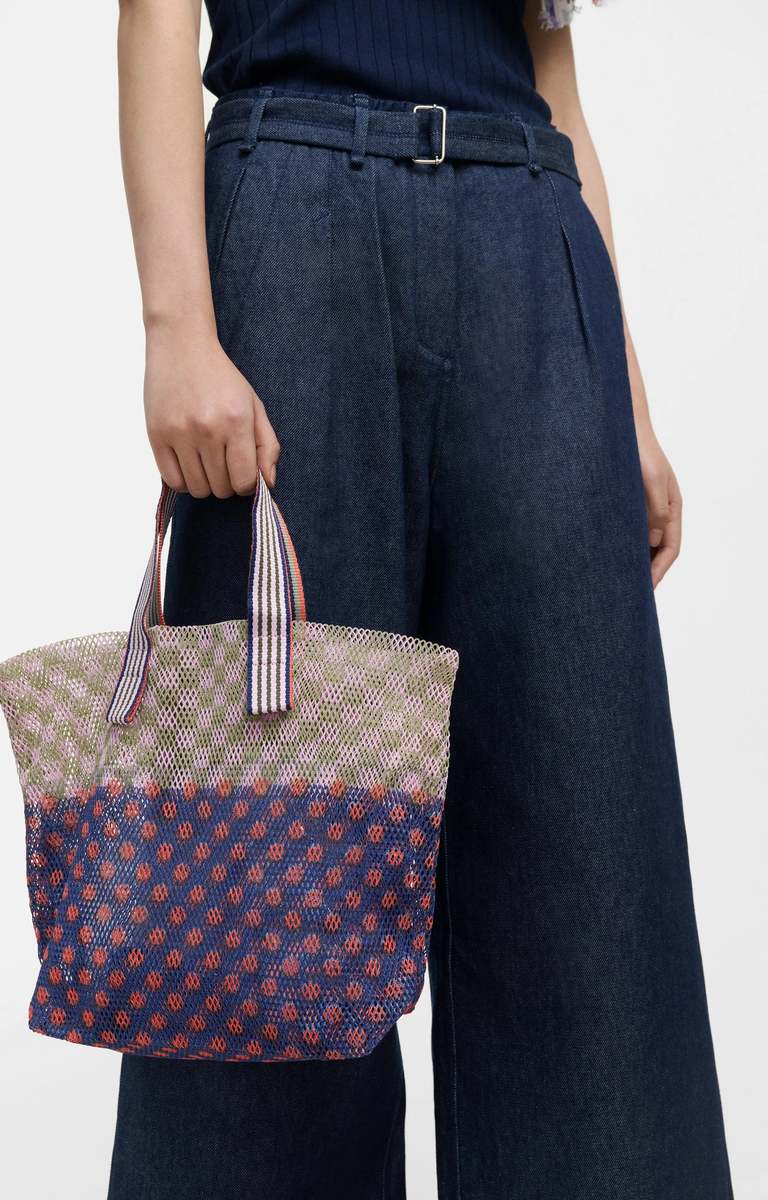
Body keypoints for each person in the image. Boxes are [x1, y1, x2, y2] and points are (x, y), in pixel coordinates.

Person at [107, 2, 733, 1198]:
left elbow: (556, 86)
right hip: (294, 224)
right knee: (268, 873)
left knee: (584, 856)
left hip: (528, 236)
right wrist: (176, 326)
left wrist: (631, 410)